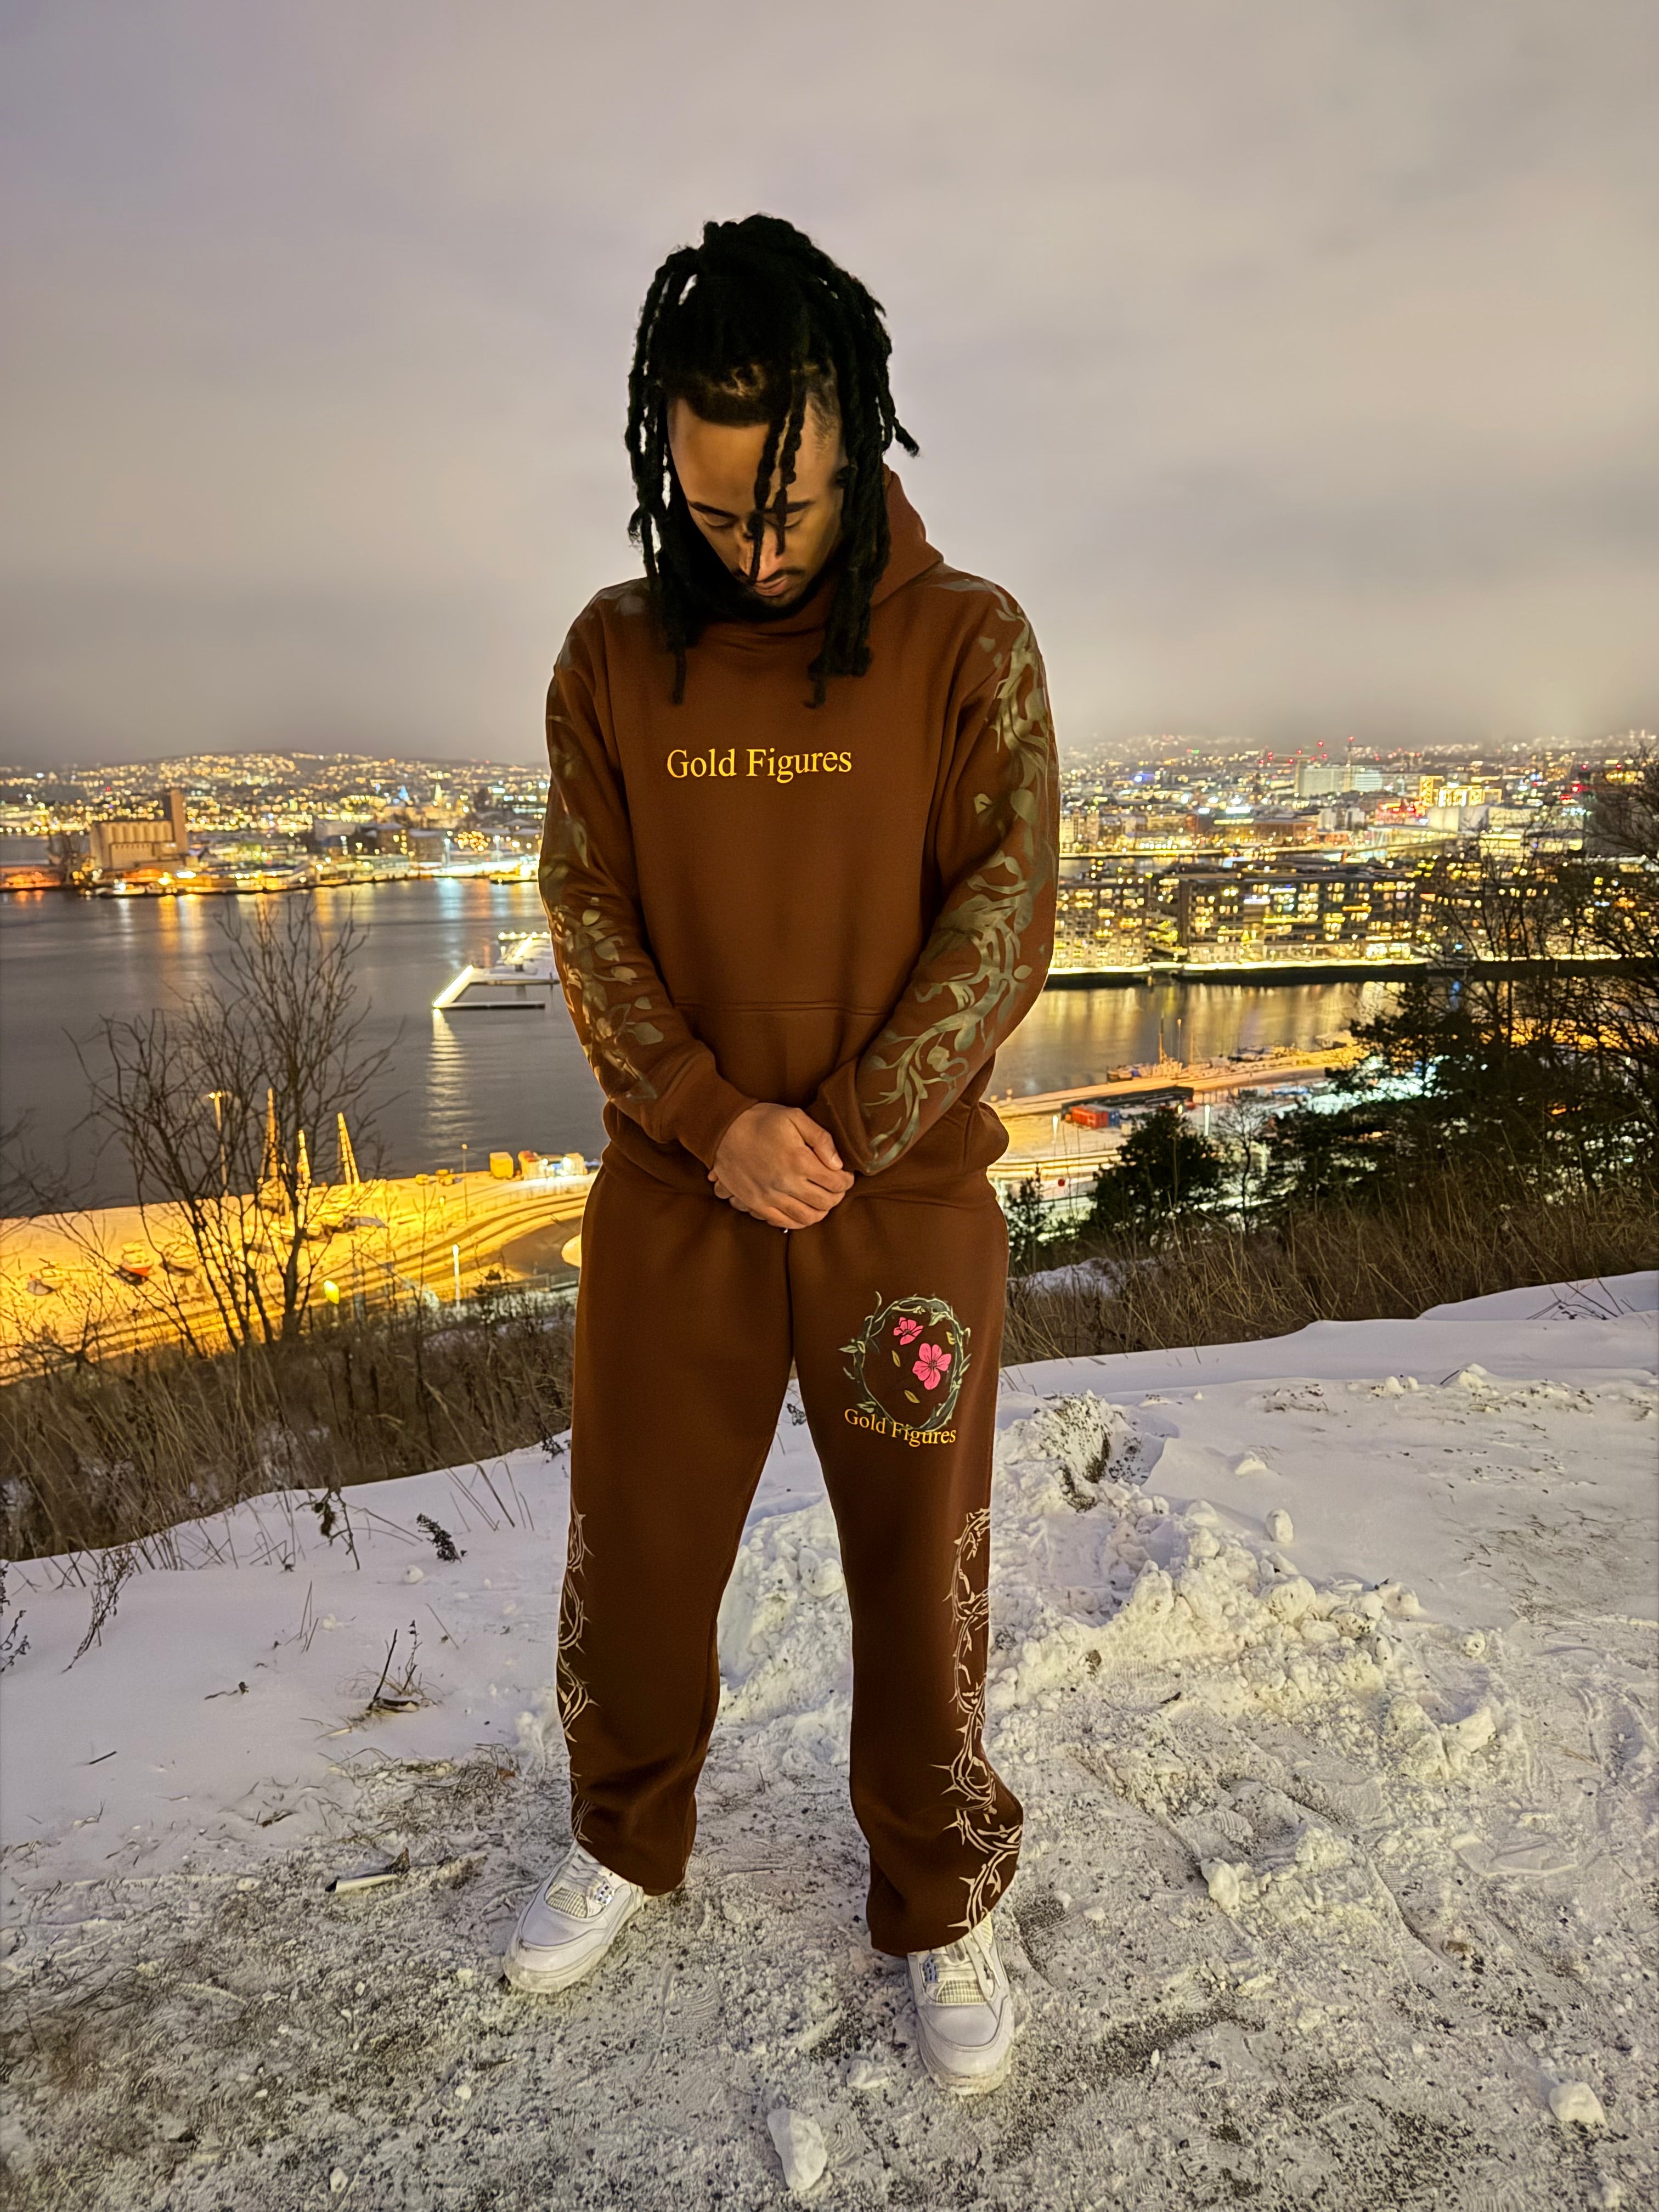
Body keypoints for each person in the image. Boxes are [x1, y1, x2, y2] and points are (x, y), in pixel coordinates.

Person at [510, 213, 1058, 2096]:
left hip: (895, 1207)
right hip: (679, 1201)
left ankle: (941, 1888)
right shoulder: (608, 658)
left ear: (862, 440)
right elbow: (583, 912)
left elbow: (1006, 914)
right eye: (717, 506)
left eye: (792, 507)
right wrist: (707, 1119)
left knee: (922, 1565)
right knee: (641, 1551)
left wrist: (837, 1132)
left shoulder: (971, 644)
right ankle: (617, 1831)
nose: (754, 550)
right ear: (669, 454)